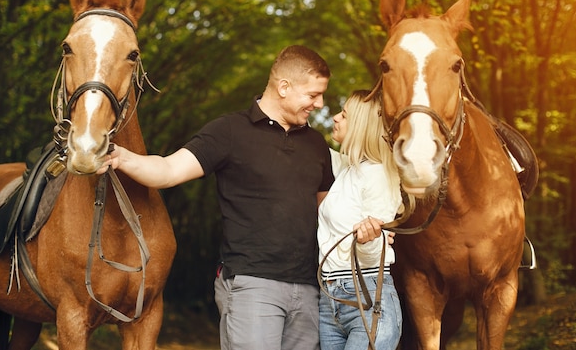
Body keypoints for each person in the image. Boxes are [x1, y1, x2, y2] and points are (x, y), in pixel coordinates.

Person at [99, 45, 335, 350]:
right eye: (313, 95)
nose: (319, 104)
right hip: (252, 284)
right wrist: (121, 157)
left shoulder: (316, 144)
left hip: (308, 289)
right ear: (284, 87)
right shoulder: (229, 131)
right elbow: (169, 170)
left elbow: (329, 212)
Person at [318, 89, 403, 350]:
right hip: (329, 300)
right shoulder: (347, 168)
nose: (335, 118)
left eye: (344, 115)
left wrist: (369, 241)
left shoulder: (379, 174)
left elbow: (375, 255)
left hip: (367, 296)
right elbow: (309, 149)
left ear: (361, 126)